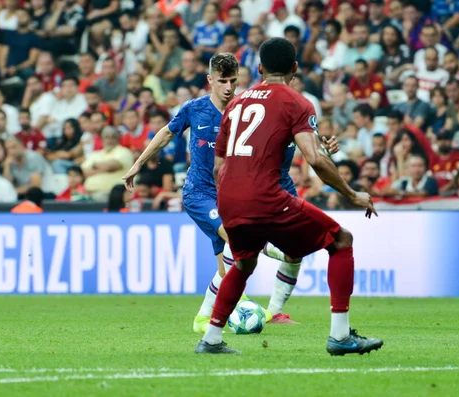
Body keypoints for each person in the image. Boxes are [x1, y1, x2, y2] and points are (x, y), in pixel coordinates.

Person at [122, 53, 339, 333]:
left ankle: (206, 319)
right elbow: (166, 132)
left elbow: (297, 130)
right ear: (210, 80)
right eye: (222, 81)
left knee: (229, 266)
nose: (228, 87)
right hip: (200, 193)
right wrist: (137, 164)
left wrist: (322, 146)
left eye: (233, 81)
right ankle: (273, 249)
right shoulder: (195, 108)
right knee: (237, 237)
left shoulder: (246, 108)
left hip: (234, 194)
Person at [194, 38, 382, 355]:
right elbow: (315, 159)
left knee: (243, 263)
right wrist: (352, 193)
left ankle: (211, 339)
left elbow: (218, 166)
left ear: (259, 69)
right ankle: (340, 336)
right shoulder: (297, 102)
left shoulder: (236, 104)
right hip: (266, 195)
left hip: (228, 197)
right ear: (295, 69)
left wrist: (233, 195)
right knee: (341, 240)